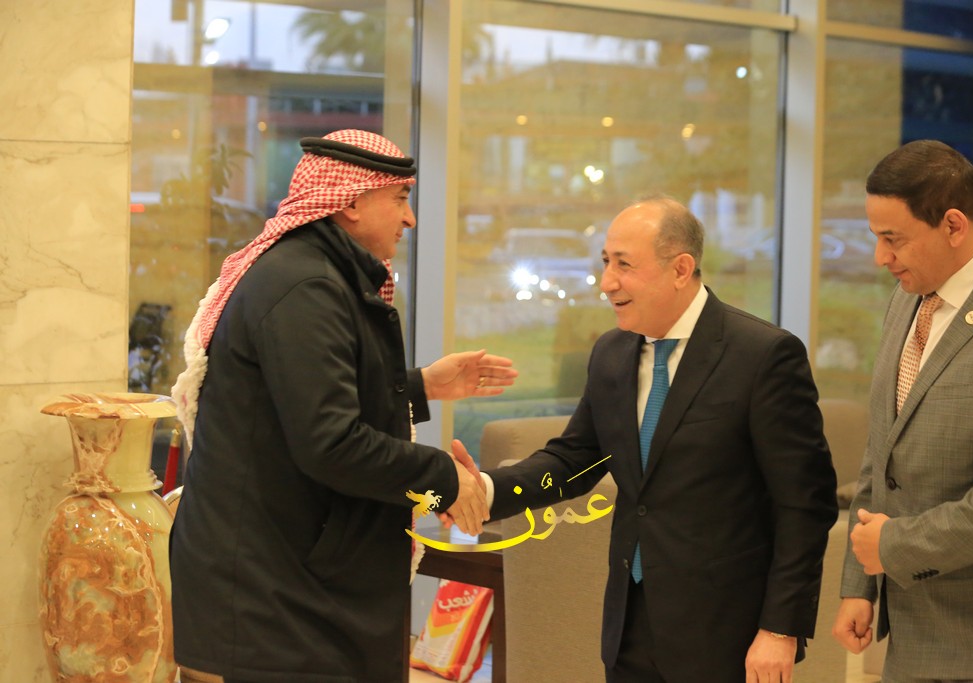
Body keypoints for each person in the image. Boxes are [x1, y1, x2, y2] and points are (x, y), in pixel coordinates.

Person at [167, 129, 517, 683]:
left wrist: (420, 387)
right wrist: (442, 478)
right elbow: (330, 442)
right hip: (277, 597)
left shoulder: (315, 274)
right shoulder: (305, 286)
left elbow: (297, 401)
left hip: (293, 583)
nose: (410, 219)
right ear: (351, 202)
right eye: (400, 198)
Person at [479, 195, 839, 682]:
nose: (607, 282)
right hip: (630, 623)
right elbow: (575, 461)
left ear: (681, 269)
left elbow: (804, 504)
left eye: (624, 265)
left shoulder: (763, 355)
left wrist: (780, 628)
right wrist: (485, 490)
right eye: (605, 262)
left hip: (727, 632)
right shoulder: (611, 353)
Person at [832, 139, 973, 682]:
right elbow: (882, 453)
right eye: (876, 237)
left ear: (954, 225)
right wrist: (860, 584)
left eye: (893, 239)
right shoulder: (909, 297)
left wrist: (892, 547)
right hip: (910, 639)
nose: (880, 257)